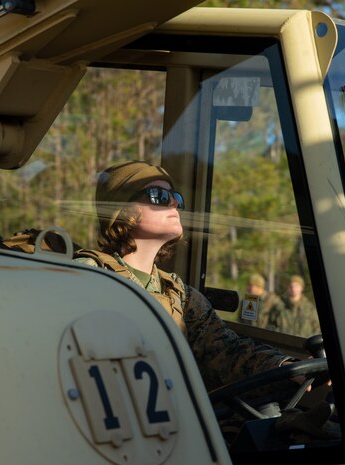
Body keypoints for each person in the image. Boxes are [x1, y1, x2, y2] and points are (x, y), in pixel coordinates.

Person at [77, 160, 295, 391]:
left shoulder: (178, 293)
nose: (173, 203)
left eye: (176, 198)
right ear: (122, 211)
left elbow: (225, 352)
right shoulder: (89, 275)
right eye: (158, 196)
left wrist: (284, 366)